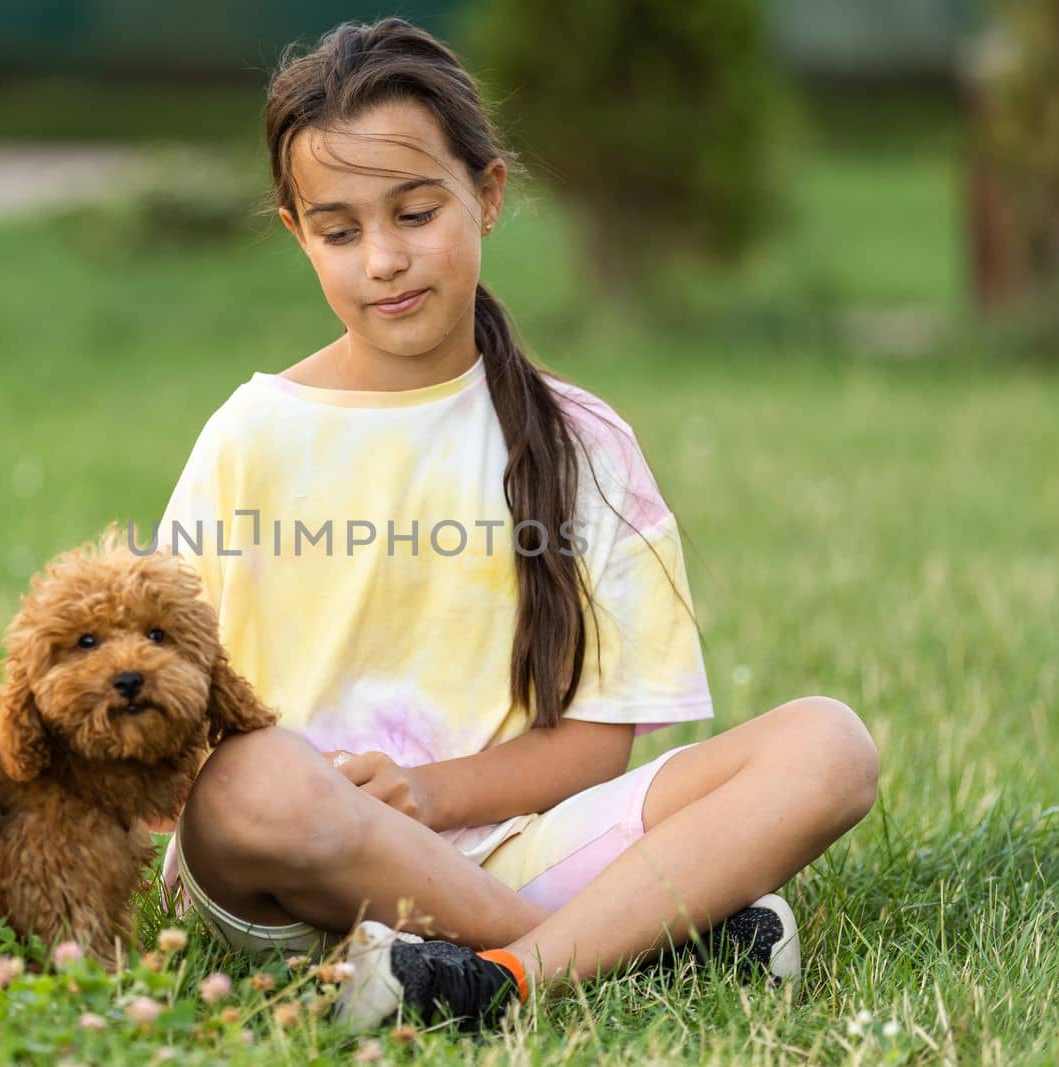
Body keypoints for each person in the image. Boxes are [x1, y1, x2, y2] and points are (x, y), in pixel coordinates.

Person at [150, 17, 879, 1032]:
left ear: (487, 196)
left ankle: (500, 978)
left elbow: (591, 742)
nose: (385, 260)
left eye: (415, 212)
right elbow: (151, 689)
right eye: (341, 229)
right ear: (296, 234)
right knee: (252, 780)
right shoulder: (252, 433)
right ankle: (626, 948)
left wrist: (427, 792)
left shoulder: (580, 441)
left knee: (828, 744)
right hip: (287, 870)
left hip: (510, 839)